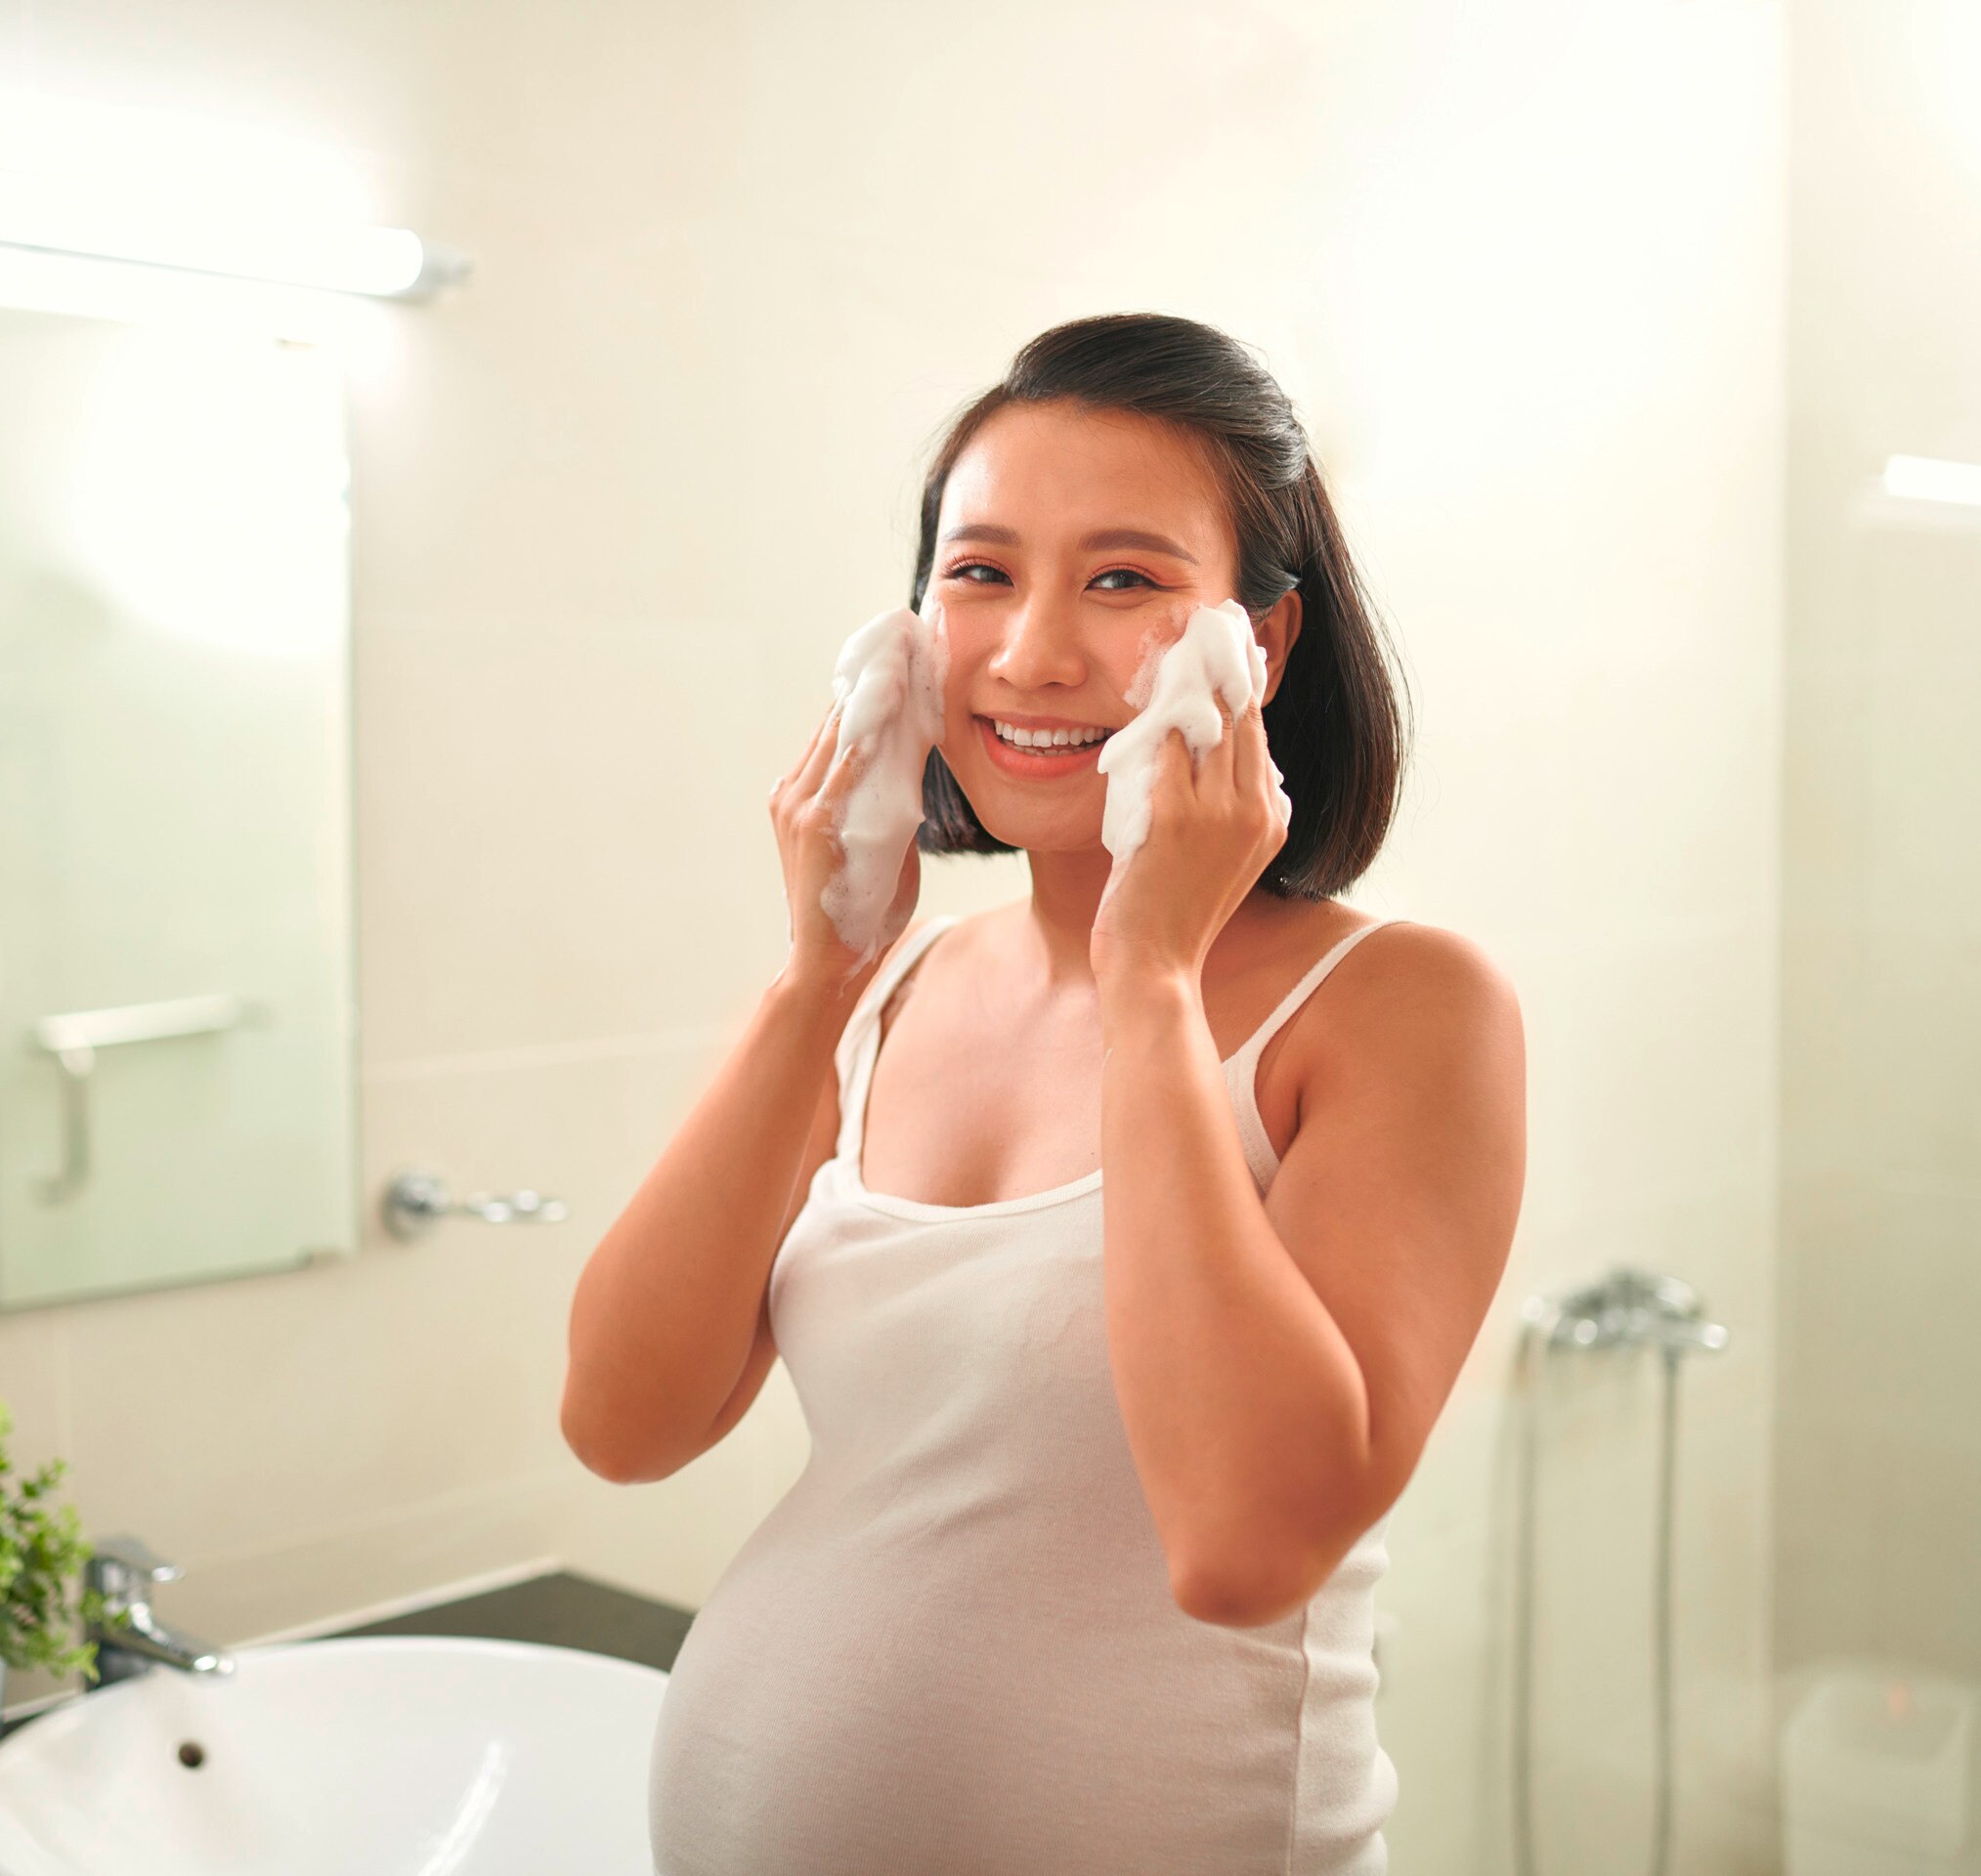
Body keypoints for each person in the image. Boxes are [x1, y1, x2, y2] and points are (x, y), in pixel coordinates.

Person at [563, 316, 1529, 1872]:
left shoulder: (1401, 1010)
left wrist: (1152, 978)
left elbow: (1245, 1543)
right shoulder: (883, 997)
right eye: (983, 572)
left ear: (1259, 649)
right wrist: (813, 978)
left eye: (1126, 580)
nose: (1032, 655)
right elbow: (622, 1420)